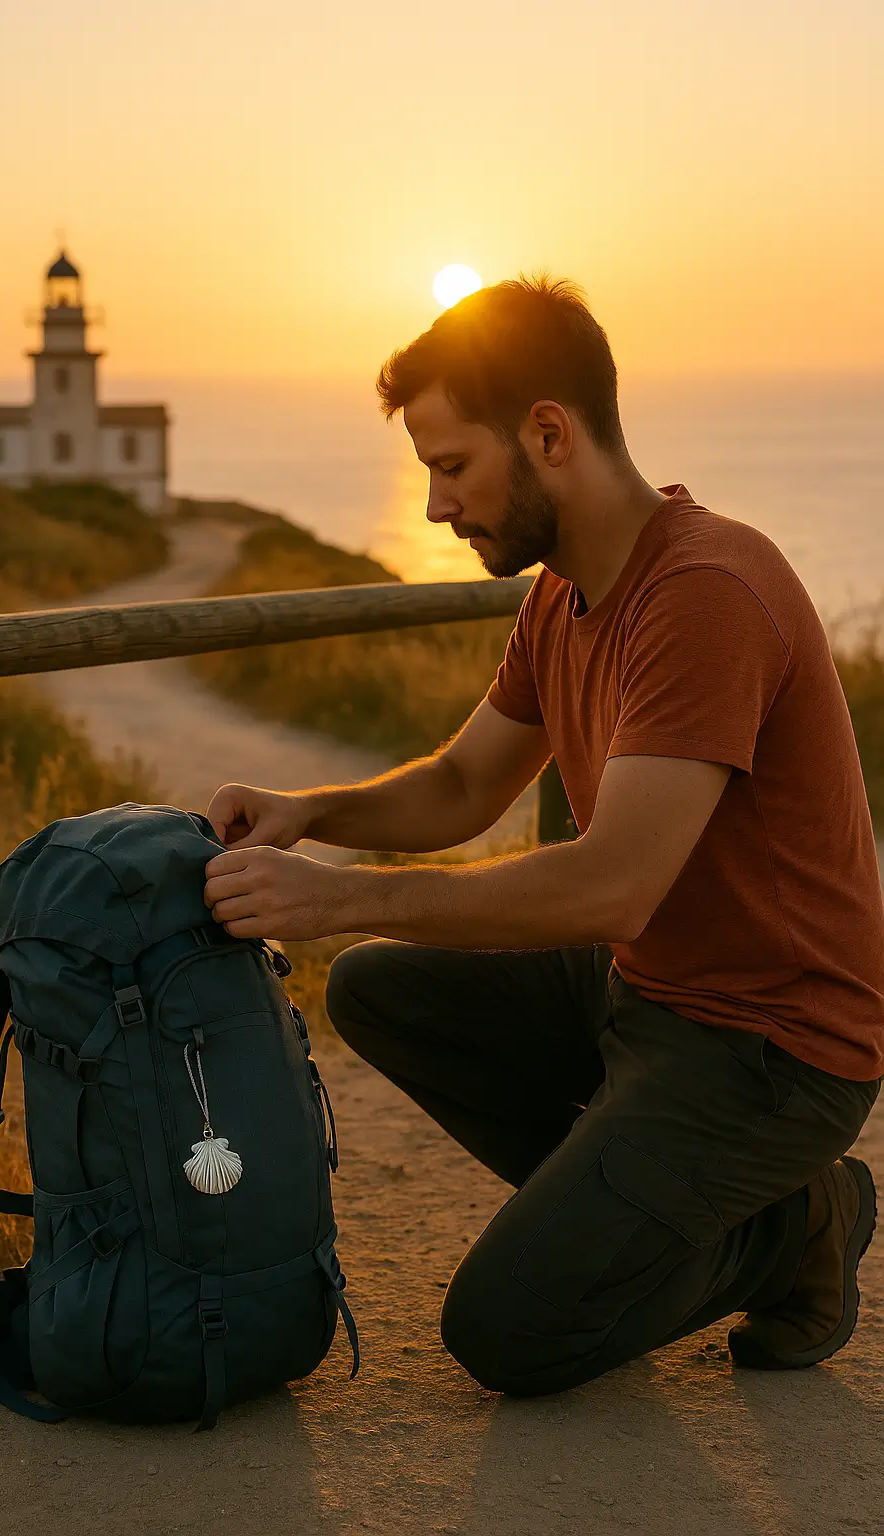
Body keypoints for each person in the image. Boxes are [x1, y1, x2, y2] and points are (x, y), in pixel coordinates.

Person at [202, 276, 883, 1395]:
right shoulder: (561, 596)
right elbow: (464, 781)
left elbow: (612, 888)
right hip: (649, 996)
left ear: (549, 434)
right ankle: (628, 1205)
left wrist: (341, 897)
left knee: (509, 1333)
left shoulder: (705, 590)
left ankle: (803, 1220)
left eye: (450, 465)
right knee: (377, 988)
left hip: (772, 1050)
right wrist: (310, 815)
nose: (433, 506)